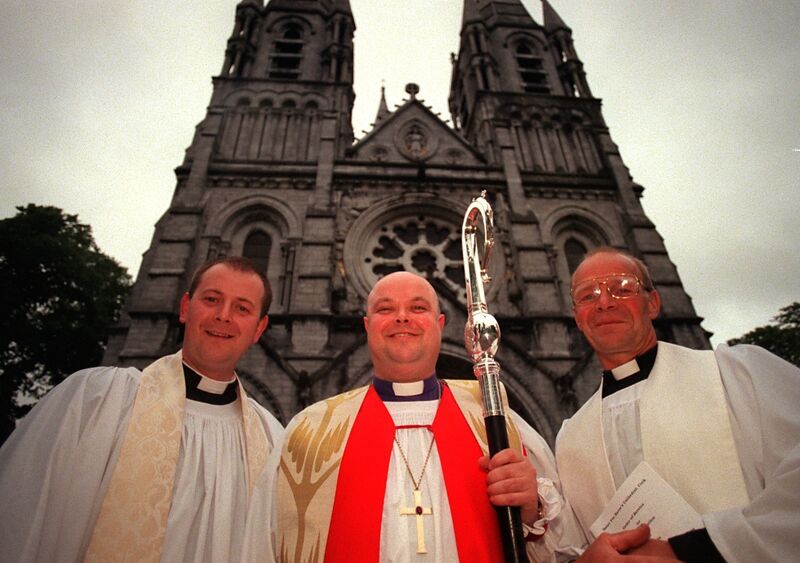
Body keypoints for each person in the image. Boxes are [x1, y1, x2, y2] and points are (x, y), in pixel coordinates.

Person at [247, 271, 583, 562]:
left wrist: (531, 511)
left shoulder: (496, 421)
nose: (402, 318)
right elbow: (260, 546)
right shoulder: (309, 432)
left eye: (418, 308)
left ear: (440, 324)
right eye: (385, 309)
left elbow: (560, 548)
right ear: (367, 326)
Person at [0, 256, 284, 562]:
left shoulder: (272, 439)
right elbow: (23, 522)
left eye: (242, 308)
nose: (223, 316)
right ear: (186, 308)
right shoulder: (97, 401)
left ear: (259, 328)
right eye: (212, 299)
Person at [555, 247, 800, 562]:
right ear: (577, 316)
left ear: (653, 303)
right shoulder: (570, 438)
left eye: (622, 288)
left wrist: (691, 551)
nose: (604, 302)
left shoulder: (737, 374)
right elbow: (568, 545)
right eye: (588, 296)